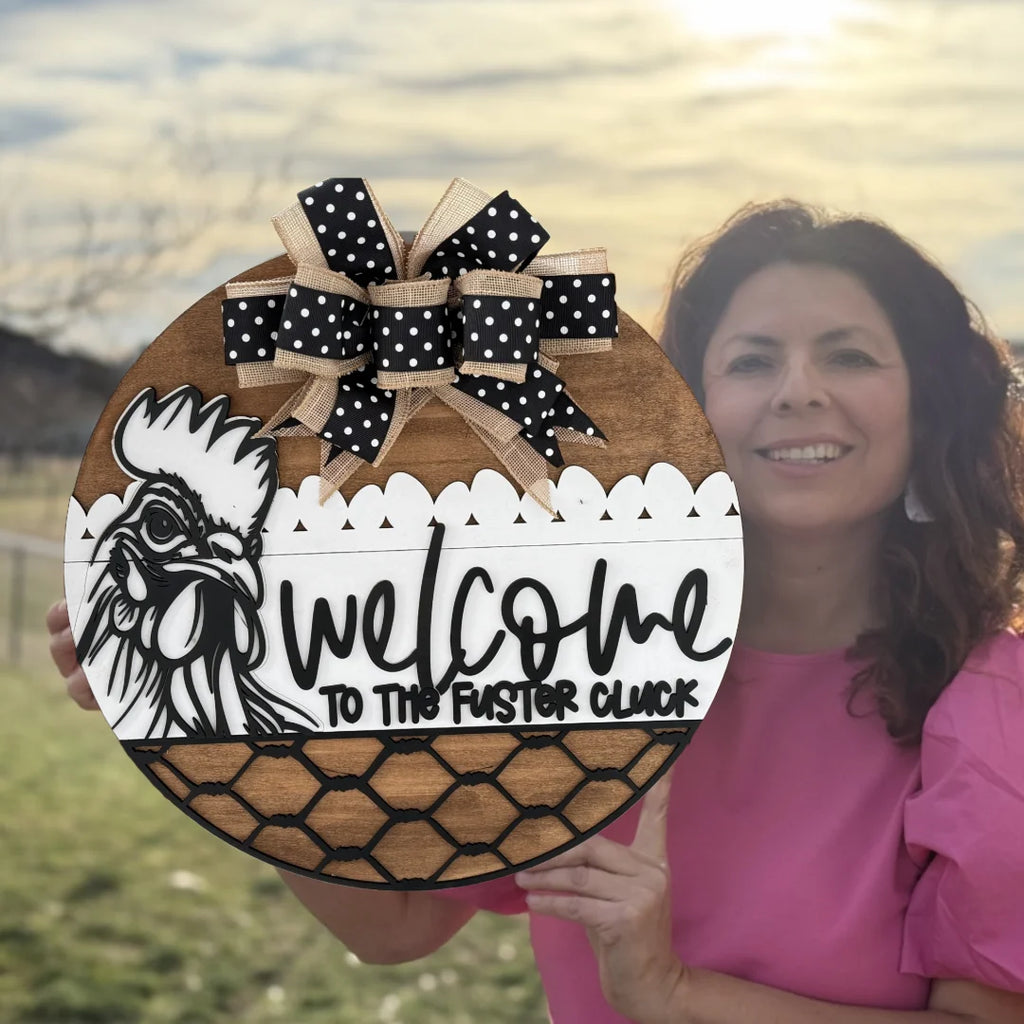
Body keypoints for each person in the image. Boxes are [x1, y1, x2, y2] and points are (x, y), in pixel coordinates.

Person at [48, 199, 1024, 1023]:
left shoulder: (990, 709)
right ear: (688, 412)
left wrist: (676, 993)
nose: (799, 393)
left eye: (849, 357)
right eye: (752, 361)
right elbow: (394, 926)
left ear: (929, 409)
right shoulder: (576, 655)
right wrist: (216, 730)